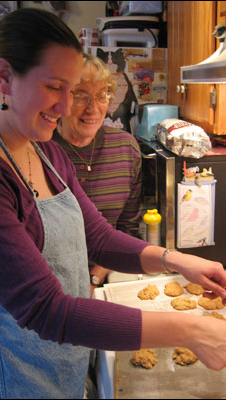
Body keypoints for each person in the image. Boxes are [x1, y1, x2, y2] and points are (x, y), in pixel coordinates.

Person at [0, 8, 226, 400]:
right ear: (4, 77)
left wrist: (177, 260)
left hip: (66, 359)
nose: (68, 106)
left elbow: (100, 238)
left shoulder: (48, 153)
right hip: (19, 377)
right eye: (55, 87)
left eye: (74, 90)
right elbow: (45, 309)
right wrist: (190, 330)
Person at [52, 53, 143, 292]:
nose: (93, 108)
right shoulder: (39, 150)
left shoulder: (126, 148)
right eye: (81, 95)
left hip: (104, 278)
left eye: (102, 95)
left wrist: (95, 277)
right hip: (47, 287)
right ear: (61, 99)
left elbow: (127, 226)